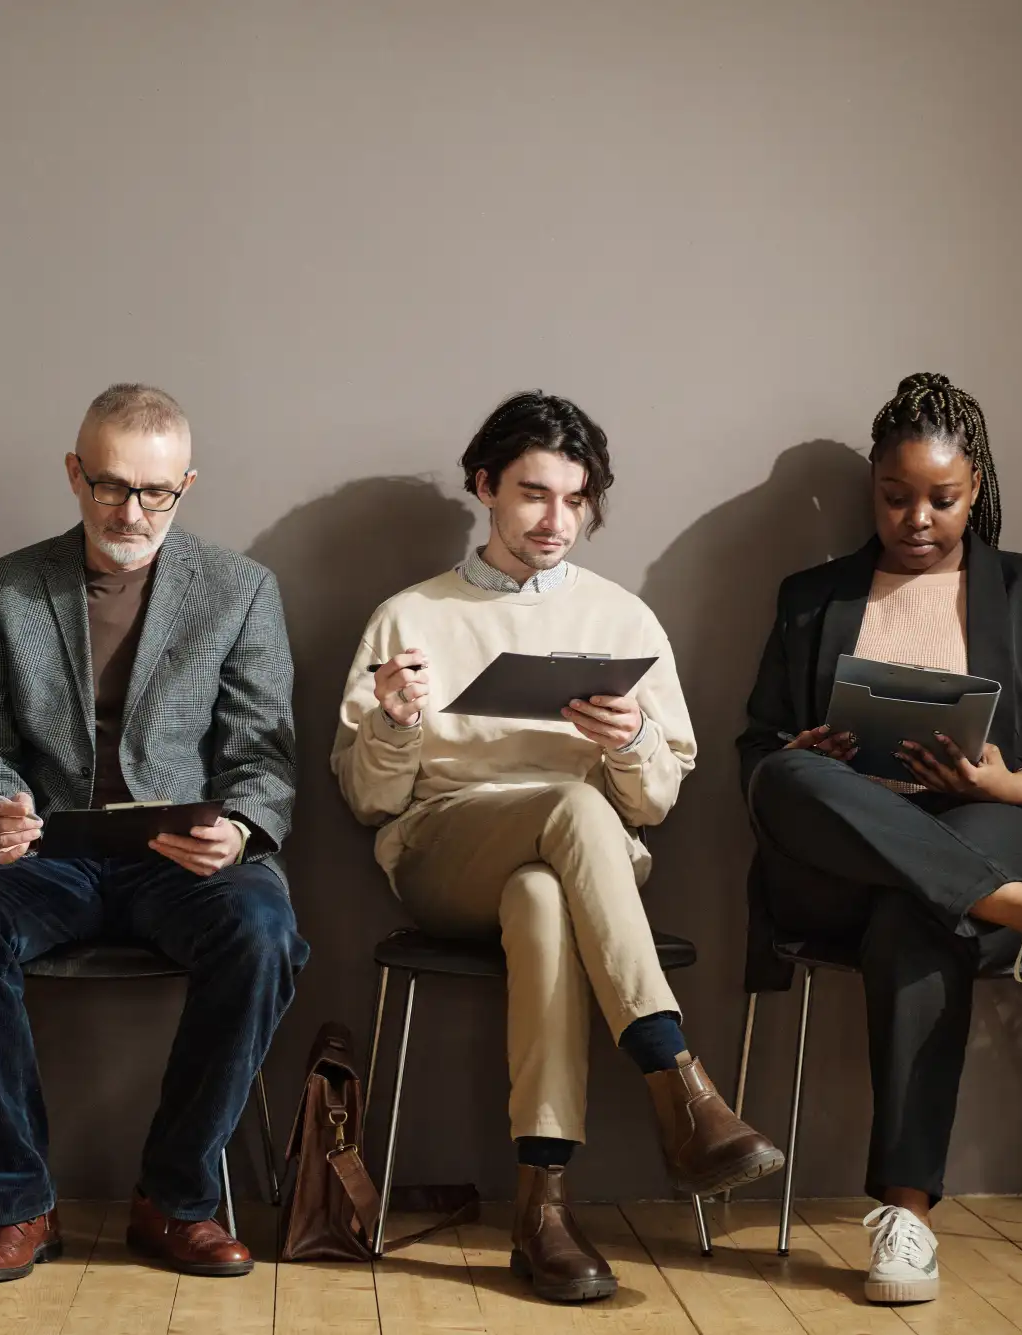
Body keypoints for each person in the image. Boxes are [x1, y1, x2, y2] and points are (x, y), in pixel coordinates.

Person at [332, 392, 782, 1305]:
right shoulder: (411, 616)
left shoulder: (623, 621)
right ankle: (677, 1078)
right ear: (484, 486)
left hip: (578, 868)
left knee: (543, 892)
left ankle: (543, 1211)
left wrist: (628, 741)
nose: (557, 521)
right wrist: (394, 721)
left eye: (576, 500)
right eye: (535, 494)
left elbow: (652, 803)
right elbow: (370, 800)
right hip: (440, 850)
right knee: (572, 807)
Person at [737, 371, 1022, 1306]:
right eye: (896, 495)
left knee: (921, 914)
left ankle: (905, 1220)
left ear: (977, 487)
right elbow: (755, 748)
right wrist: (807, 751)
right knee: (783, 774)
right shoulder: (810, 599)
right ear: (873, 485)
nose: (917, 519)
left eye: (941, 499)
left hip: (993, 825)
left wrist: (1007, 780)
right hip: (850, 858)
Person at [0, 383, 304, 1284]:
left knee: (265, 931)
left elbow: (263, 758)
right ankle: (18, 1206)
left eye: (156, 492)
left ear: (186, 485)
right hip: (45, 854)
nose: (132, 511)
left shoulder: (240, 591)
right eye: (111, 486)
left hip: (182, 857)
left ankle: (177, 1198)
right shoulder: (4, 592)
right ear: (74, 474)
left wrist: (238, 830)